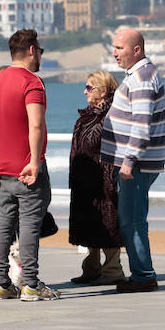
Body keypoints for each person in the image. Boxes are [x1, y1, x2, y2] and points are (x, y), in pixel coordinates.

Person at [0, 29, 59, 301]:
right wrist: (35, 161)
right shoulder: (32, 83)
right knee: (29, 223)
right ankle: (30, 284)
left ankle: (2, 283)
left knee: (4, 222)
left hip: (3, 168)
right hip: (26, 168)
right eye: (39, 50)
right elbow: (35, 124)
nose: (40, 55)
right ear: (31, 50)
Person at [101, 28, 165, 293]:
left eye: (119, 48)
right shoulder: (140, 75)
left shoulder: (141, 78)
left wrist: (129, 160)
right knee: (133, 217)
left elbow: (142, 123)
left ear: (136, 50)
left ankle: (143, 275)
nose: (114, 53)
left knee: (132, 220)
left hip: (136, 165)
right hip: (136, 163)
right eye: (114, 48)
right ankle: (142, 273)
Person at [68, 71, 126, 284]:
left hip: (103, 179)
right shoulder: (88, 114)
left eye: (89, 87)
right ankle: (91, 267)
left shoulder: (112, 114)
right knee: (88, 222)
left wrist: (111, 178)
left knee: (108, 223)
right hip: (84, 178)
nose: (85, 91)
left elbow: (118, 146)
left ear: (103, 91)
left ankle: (112, 270)